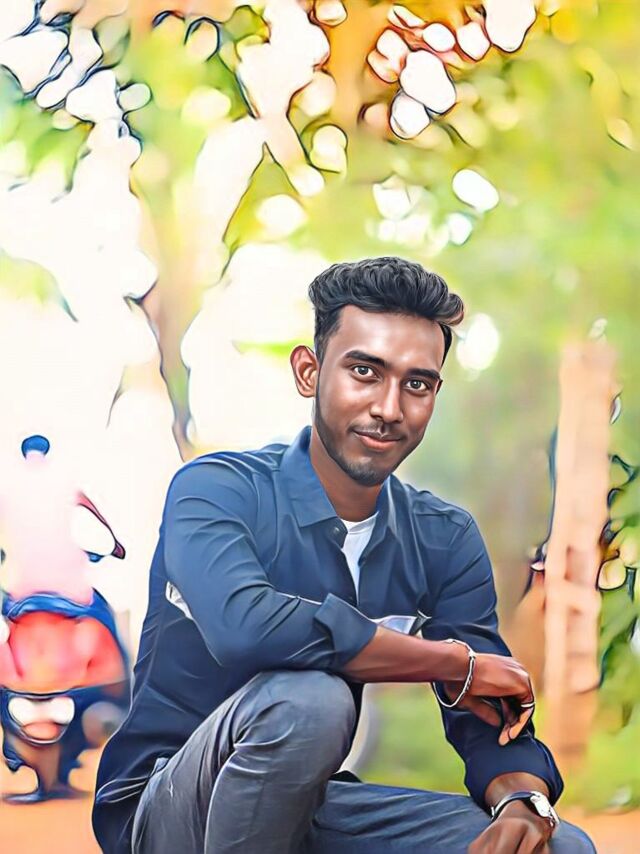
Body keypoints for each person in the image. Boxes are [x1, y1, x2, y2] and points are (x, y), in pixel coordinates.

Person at [92, 257, 594, 853]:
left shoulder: (442, 537)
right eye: (364, 372)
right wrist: (449, 663)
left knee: (559, 848)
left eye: (417, 384)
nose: (389, 408)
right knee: (312, 701)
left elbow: (488, 714)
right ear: (309, 372)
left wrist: (524, 799)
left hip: (309, 806)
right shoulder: (216, 490)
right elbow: (247, 627)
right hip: (168, 810)